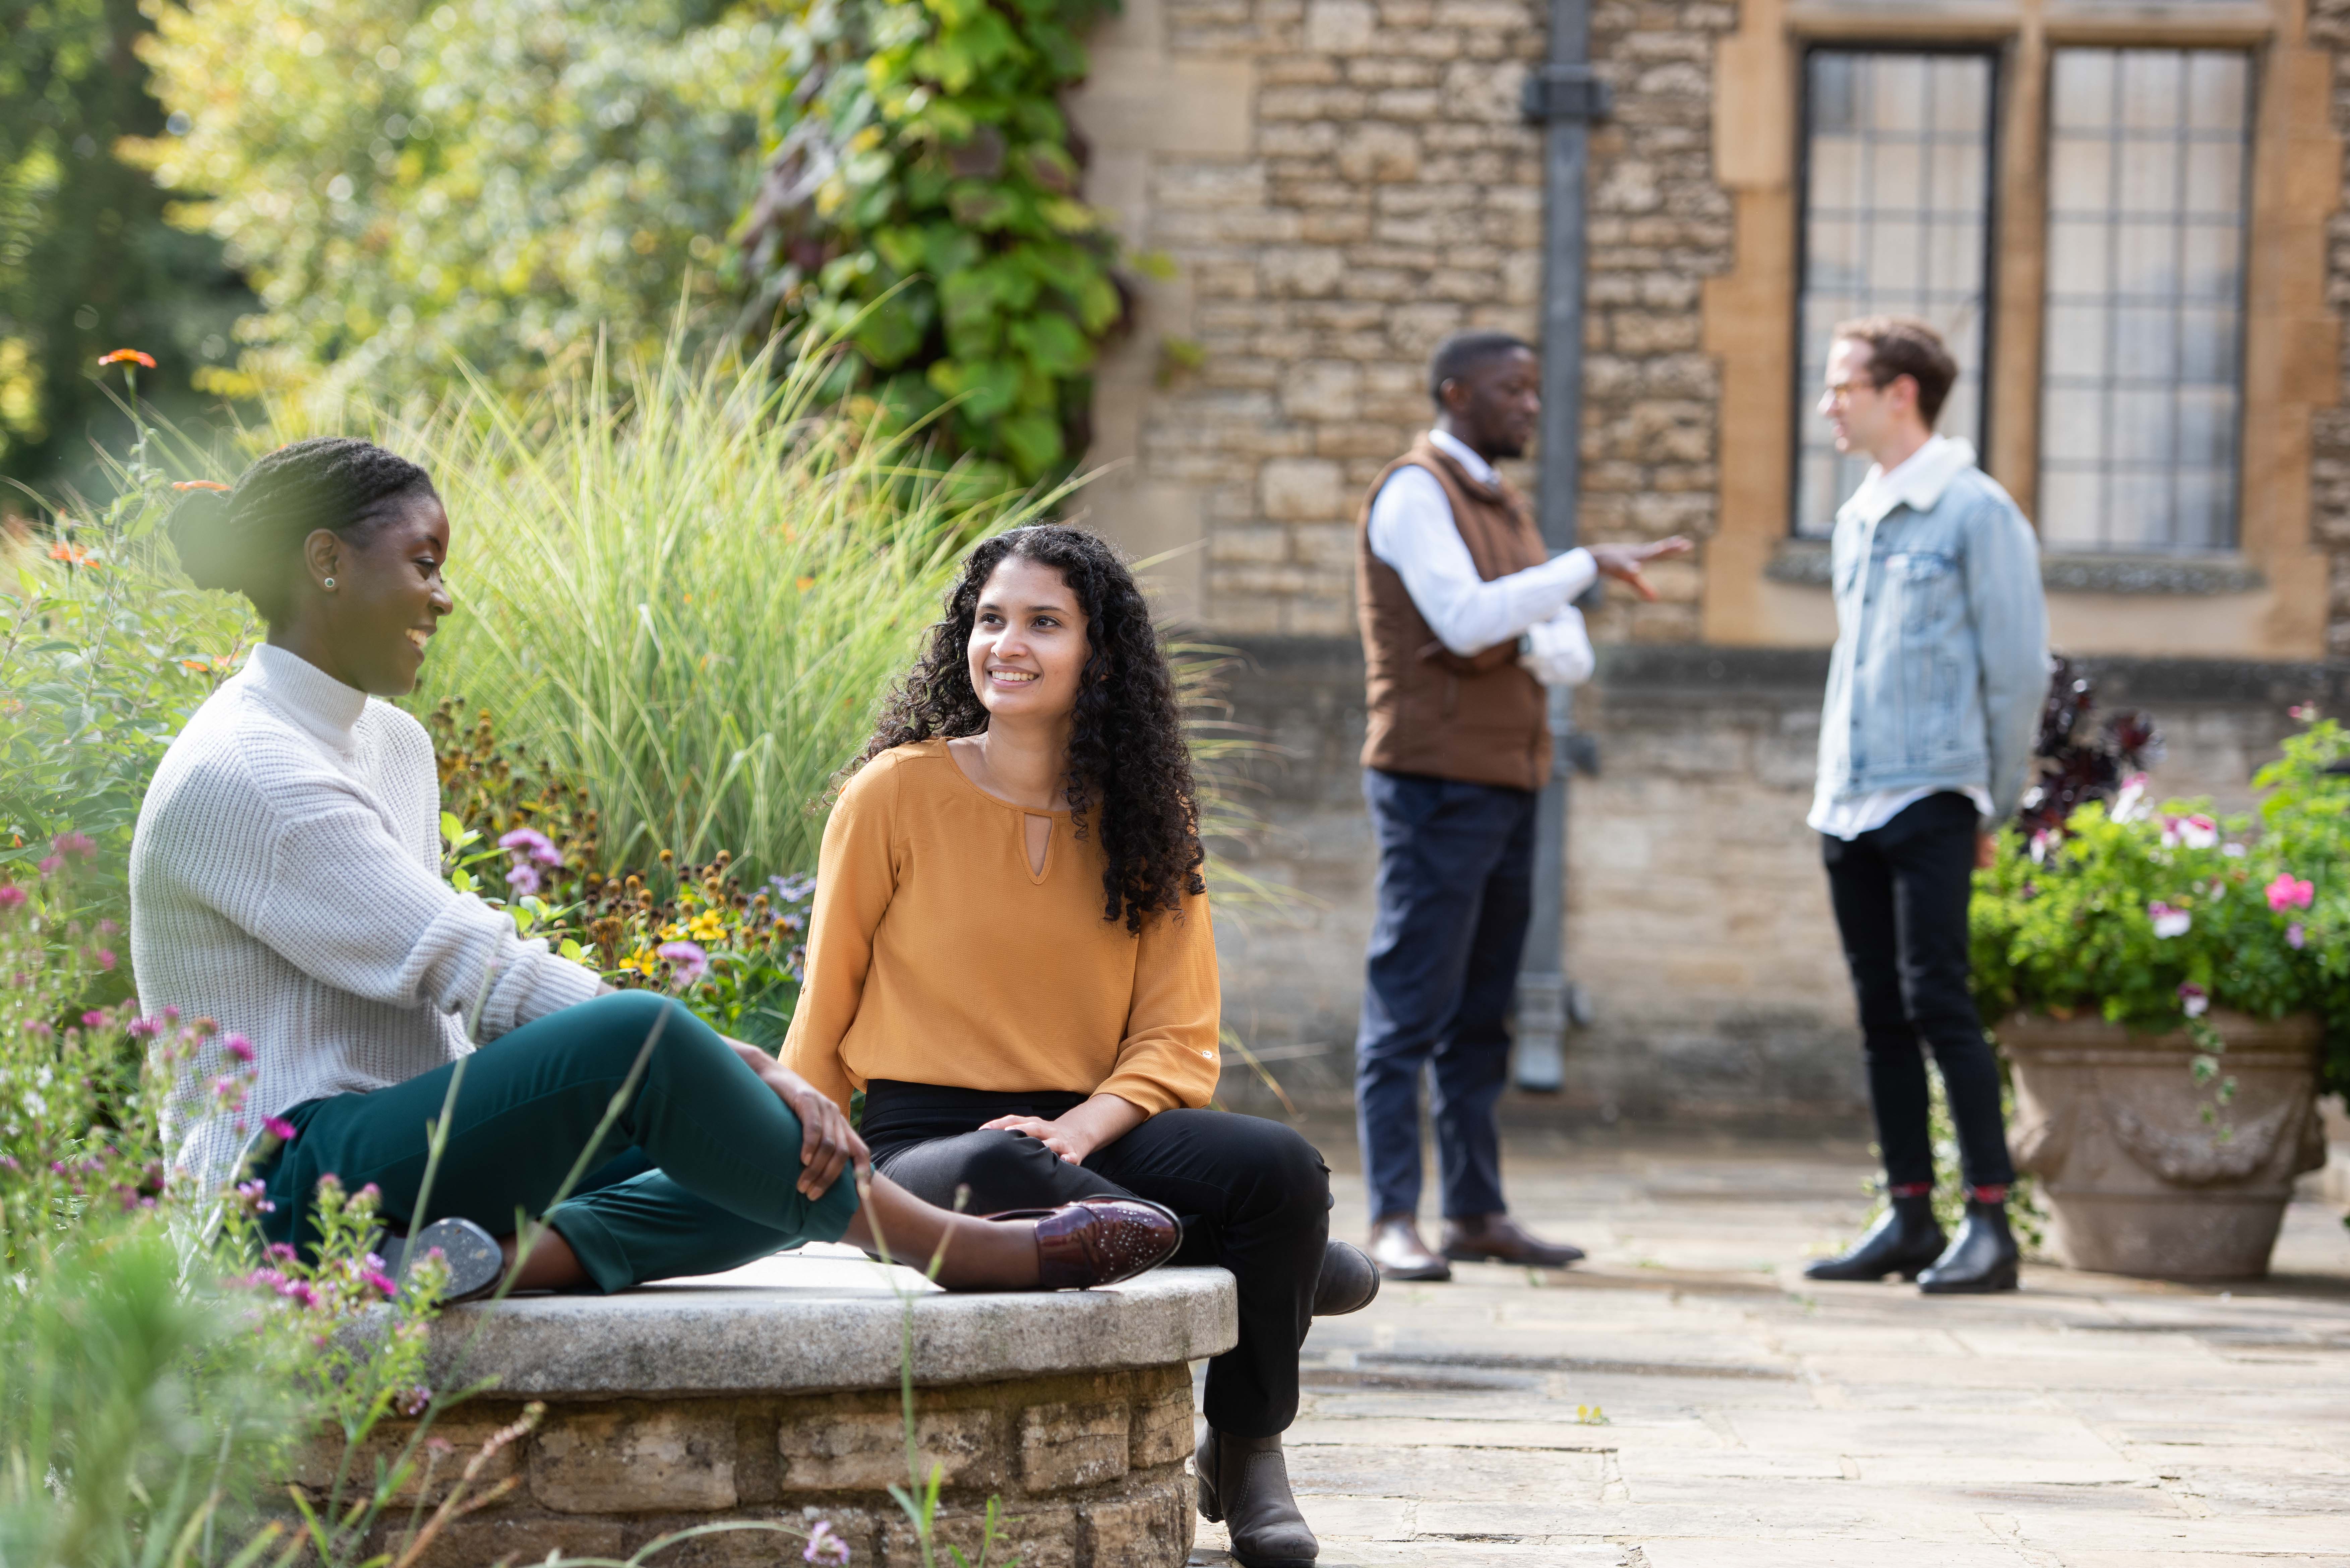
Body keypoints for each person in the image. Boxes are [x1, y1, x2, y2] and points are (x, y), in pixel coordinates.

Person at [131, 437, 1180, 1302]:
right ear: (325, 563)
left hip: (410, 1155)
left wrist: (734, 1091)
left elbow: (449, 1009)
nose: (443, 597)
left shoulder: (388, 743)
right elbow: (465, 964)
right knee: (655, 1051)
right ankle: (953, 1247)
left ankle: (479, 1264)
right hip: (285, 1178)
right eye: (423, 563)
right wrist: (732, 1056)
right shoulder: (251, 769)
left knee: (758, 1161)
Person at [785, 524, 1371, 1568]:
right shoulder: (892, 794)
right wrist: (807, 1153)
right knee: (1013, 1169)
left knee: (1281, 1168)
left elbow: (1176, 1035)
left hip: (1093, 1130)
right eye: (989, 619)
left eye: (1043, 624)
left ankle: (1247, 1450)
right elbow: (825, 1003)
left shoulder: (1150, 816)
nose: (1005, 644)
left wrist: (1083, 1124)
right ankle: (1266, 1262)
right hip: (935, 1137)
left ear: (1098, 655)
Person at [1353, 330, 1691, 1283]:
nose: (1532, 408)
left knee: (1482, 1010)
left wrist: (1539, 608)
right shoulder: (1416, 492)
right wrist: (1573, 573)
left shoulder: (1503, 508)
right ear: (1455, 392)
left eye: (1537, 391)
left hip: (1507, 779)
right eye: (1514, 391)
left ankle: (1473, 1209)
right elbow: (1466, 620)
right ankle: (1389, 1216)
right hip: (1432, 782)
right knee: (1408, 1003)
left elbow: (1564, 650)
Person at [1802, 317, 2048, 1295]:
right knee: (1879, 1018)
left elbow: (2018, 671)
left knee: (1939, 1002)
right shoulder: (1857, 515)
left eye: (1839, 387)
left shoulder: (1976, 514)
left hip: (1934, 793)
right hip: (1847, 800)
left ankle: (1990, 1222)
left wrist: (1985, 803)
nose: (1827, 405)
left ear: (1897, 392)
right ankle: (1910, 1213)